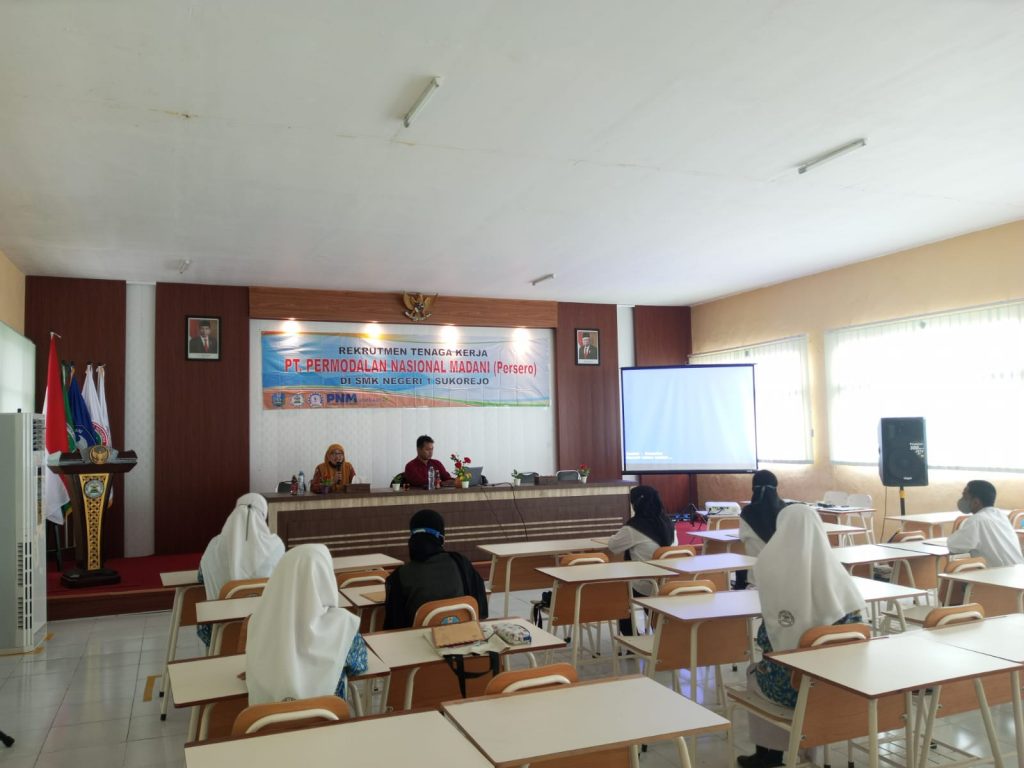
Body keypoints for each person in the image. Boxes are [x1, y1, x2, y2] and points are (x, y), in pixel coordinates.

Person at [740, 504, 865, 768]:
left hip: (794, 688)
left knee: (755, 672)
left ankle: (769, 756)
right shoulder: (838, 574)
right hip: (842, 687)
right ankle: (810, 753)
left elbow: (768, 642)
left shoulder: (769, 567)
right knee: (813, 672)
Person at [245, 544, 368, 704]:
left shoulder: (258, 623)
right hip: (326, 716)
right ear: (326, 578)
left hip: (267, 718)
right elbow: (359, 666)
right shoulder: (343, 626)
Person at [196, 493, 285, 646]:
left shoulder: (214, 546)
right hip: (268, 631)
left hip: (221, 633)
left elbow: (200, 578)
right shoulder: (276, 546)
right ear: (263, 517)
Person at [383, 509, 488, 629]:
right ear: (441, 539)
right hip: (462, 635)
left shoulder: (399, 576)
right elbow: (480, 610)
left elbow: (394, 627)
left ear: (412, 538)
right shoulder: (460, 562)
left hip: (418, 639)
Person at [607, 485, 675, 634]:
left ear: (635, 505)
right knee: (646, 587)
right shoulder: (669, 523)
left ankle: (631, 636)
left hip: (647, 585)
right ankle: (660, 627)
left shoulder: (634, 528)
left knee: (618, 591)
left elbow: (613, 546)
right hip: (670, 584)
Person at [947, 480, 1024, 568]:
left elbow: (954, 546)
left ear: (976, 502)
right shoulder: (1000, 515)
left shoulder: (977, 520)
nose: (962, 500)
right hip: (1019, 571)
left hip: (1001, 574)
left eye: (964, 496)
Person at [735, 470, 788, 589]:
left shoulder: (747, 513)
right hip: (785, 580)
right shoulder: (786, 511)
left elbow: (742, 538)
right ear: (775, 488)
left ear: (754, 489)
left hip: (757, 581)